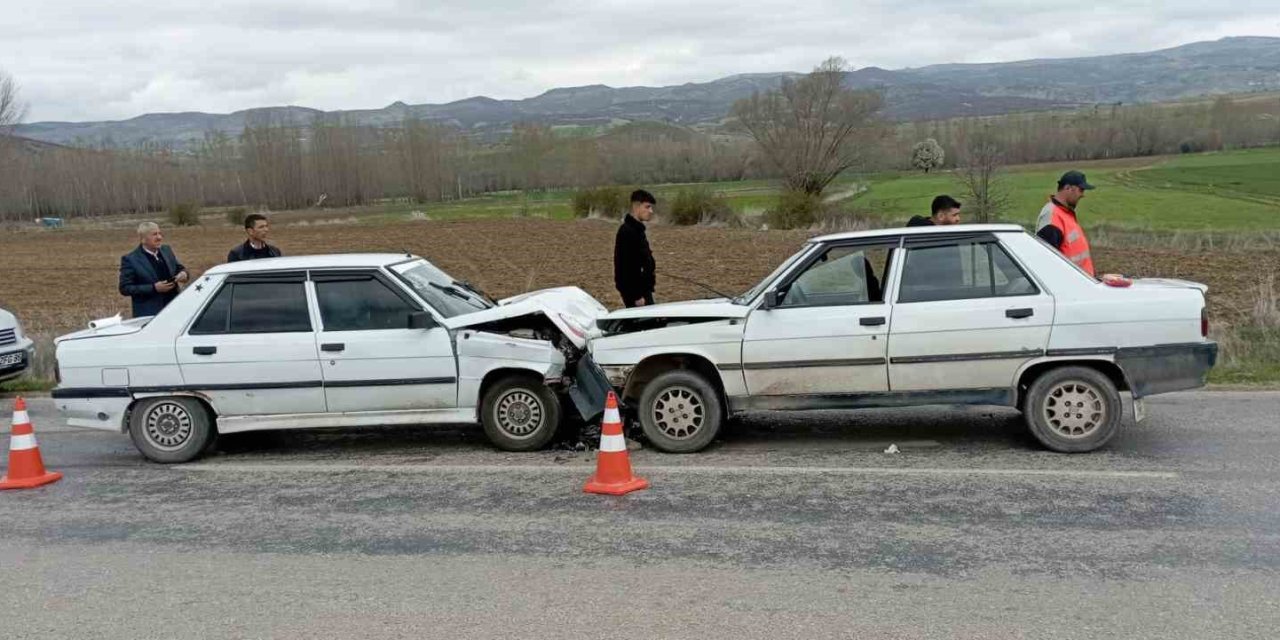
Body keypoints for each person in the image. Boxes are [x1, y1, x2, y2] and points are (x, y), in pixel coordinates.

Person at [119, 222, 189, 318]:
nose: (159, 237)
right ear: (143, 239)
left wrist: (184, 274)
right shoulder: (131, 260)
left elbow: (178, 268)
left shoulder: (166, 250)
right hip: (150, 316)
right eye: (154, 234)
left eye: (159, 233)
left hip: (174, 310)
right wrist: (154, 288)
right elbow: (125, 288)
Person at [1036, 170, 1096, 276]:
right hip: (1070, 286)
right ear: (1067, 188)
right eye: (1081, 190)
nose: (1083, 195)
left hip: (1082, 283)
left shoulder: (1064, 213)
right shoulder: (1052, 217)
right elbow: (1047, 264)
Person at [614, 189, 657, 308]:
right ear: (636, 206)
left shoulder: (638, 231)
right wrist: (636, 296)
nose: (651, 211)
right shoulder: (627, 232)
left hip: (644, 291)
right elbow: (625, 267)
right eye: (647, 207)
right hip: (636, 295)